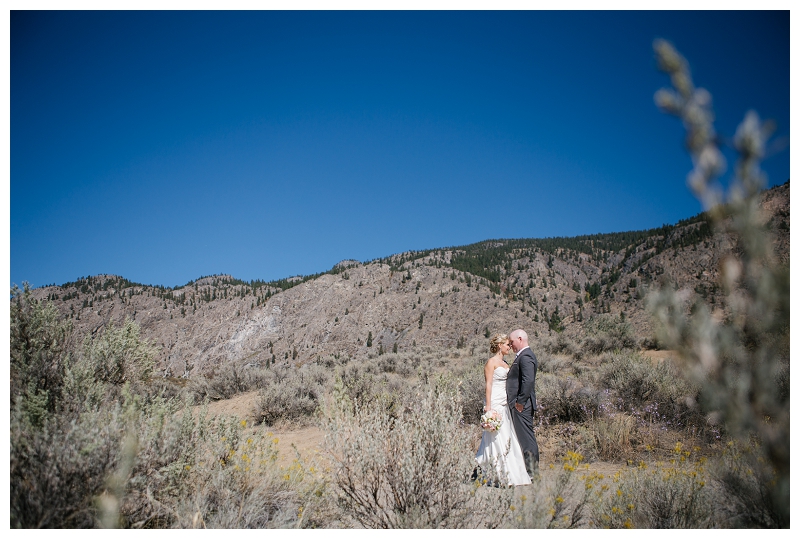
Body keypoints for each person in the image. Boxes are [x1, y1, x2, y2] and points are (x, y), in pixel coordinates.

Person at [474, 334, 531, 486]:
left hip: (505, 403)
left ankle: (511, 471)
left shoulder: (505, 362)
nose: (509, 347)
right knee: (496, 437)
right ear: (499, 345)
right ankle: (496, 473)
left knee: (508, 436)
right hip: (495, 402)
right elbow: (489, 385)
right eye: (507, 344)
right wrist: (488, 406)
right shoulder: (491, 363)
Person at [506, 328, 540, 477]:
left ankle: (532, 471)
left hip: (522, 405)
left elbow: (528, 380)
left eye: (512, 342)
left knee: (526, 438)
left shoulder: (525, 356)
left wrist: (520, 401)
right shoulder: (522, 356)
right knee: (523, 437)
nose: (510, 345)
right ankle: (528, 469)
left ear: (520, 339)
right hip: (520, 404)